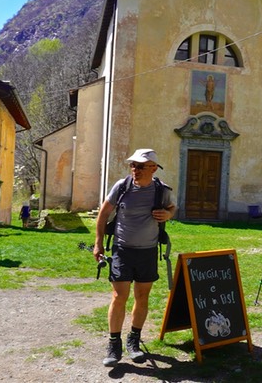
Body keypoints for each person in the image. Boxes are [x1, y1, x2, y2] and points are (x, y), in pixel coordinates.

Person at [93, 148, 176, 366]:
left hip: (148, 251)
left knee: (142, 296)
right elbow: (103, 213)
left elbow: (172, 207)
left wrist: (168, 214)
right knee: (119, 296)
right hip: (122, 250)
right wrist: (98, 243)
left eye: (140, 166)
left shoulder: (162, 190)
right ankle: (113, 344)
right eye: (133, 165)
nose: (135, 170)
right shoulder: (122, 187)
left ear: (153, 168)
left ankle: (134, 340)